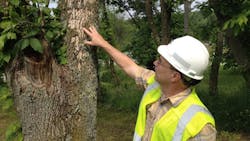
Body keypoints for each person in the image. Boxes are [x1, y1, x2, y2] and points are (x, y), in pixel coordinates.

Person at [83, 26, 216, 141]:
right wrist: (103, 43)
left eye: (160, 62)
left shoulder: (201, 125)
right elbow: (131, 67)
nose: (155, 63)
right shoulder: (155, 84)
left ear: (174, 76)